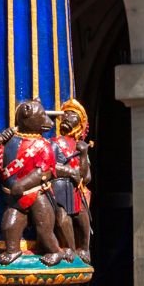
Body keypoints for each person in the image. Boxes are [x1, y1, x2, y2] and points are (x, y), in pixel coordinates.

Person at [0, 99, 72, 266]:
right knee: (9, 225)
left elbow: (44, 171)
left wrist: (22, 185)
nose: (48, 121)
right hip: (16, 198)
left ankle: (55, 251)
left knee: (44, 229)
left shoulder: (44, 146)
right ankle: (13, 250)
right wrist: (1, 139)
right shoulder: (11, 141)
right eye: (42, 116)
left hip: (38, 194)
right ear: (26, 116)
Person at [51, 99, 92, 261]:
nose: (67, 117)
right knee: (61, 218)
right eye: (65, 114)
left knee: (83, 217)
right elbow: (48, 166)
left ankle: (84, 248)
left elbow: (86, 177)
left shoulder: (80, 145)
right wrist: (68, 171)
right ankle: (69, 248)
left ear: (80, 123)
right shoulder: (54, 143)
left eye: (72, 115)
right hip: (59, 187)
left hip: (76, 189)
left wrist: (83, 155)